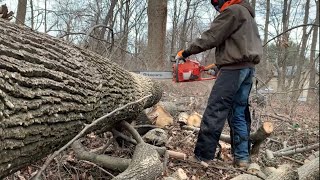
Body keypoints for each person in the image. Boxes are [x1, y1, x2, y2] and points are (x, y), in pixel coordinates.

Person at [176, 0, 263, 168]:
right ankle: (243, 158)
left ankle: (203, 156)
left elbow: (211, 36)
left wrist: (186, 52)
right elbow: (240, 46)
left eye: (217, 4)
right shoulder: (247, 15)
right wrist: (219, 64)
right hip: (247, 69)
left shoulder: (233, 11)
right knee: (238, 113)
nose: (217, 9)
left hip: (234, 70)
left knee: (215, 110)